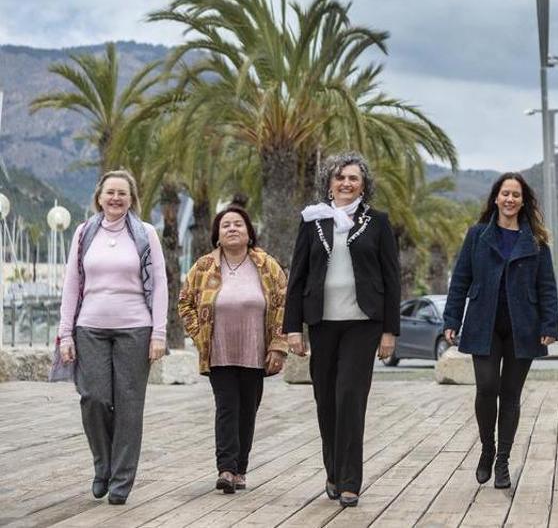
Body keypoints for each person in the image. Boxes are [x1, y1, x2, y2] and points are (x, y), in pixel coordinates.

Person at [284, 152, 401, 508]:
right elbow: (298, 276)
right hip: (322, 323)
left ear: (364, 184)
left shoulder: (377, 222)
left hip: (363, 323)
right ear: (329, 183)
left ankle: (350, 480)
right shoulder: (312, 221)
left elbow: (391, 278)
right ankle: (333, 471)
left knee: (349, 397)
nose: (346, 183)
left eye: (353, 178)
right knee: (326, 401)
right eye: (340, 178)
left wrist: (389, 331)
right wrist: (293, 329)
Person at [56, 169, 168, 505]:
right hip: (89, 327)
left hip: (135, 328)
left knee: (130, 406)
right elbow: (71, 284)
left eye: (122, 193)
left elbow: (160, 283)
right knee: (93, 399)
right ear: (99, 197)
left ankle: (121, 480)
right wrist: (65, 334)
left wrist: (158, 333)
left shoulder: (145, 234)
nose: (116, 198)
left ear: (132, 198)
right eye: (110, 192)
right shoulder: (84, 233)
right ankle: (102, 465)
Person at [443, 173, 558, 489]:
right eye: (505, 194)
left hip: (524, 327)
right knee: (486, 387)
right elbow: (461, 280)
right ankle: (487, 448)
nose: (510, 200)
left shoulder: (535, 240)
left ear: (523, 201)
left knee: (511, 395)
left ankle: (503, 460)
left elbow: (547, 286)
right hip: (484, 323)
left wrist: (549, 324)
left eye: (516, 195)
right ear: (496, 198)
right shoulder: (477, 235)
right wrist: (452, 319)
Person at [178, 206, 288, 494]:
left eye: (238, 224)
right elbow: (184, 302)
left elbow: (283, 306)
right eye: (225, 225)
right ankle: (225, 469)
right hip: (219, 350)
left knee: (248, 410)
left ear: (249, 232)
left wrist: (278, 347)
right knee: (227, 407)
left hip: (256, 350)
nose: (232, 229)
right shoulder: (204, 267)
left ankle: (240, 469)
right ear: (217, 234)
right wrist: (200, 334)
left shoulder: (267, 265)